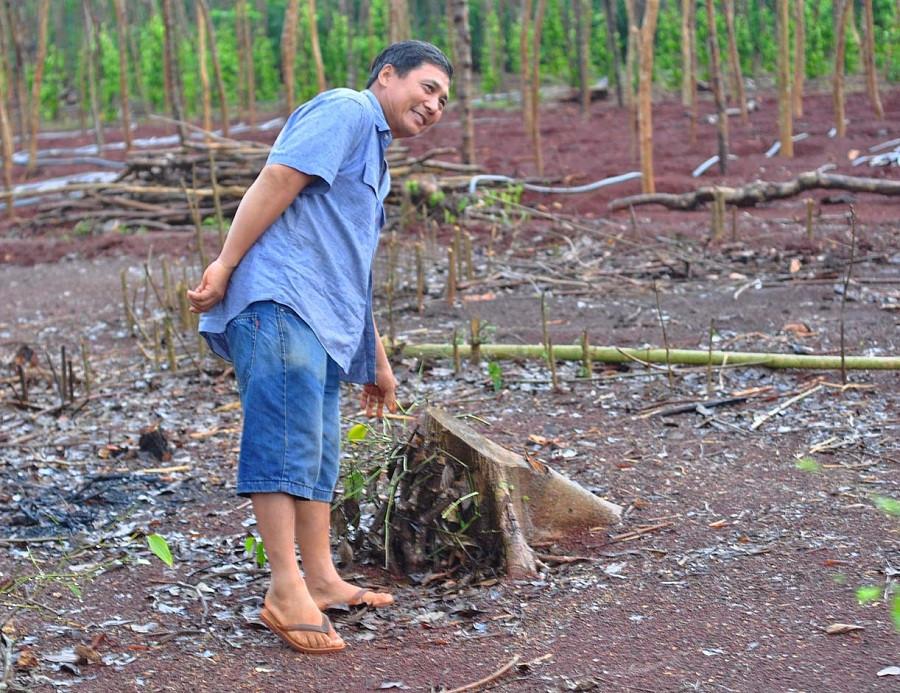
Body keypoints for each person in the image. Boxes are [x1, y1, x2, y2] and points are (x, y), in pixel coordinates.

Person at [187, 40, 453, 654]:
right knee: (283, 442)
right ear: (387, 76)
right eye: (428, 87)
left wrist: (376, 362)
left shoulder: (377, 160)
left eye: (444, 99)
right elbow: (278, 178)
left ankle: (323, 580)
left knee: (316, 452)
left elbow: (350, 269)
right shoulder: (347, 110)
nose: (435, 105)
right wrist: (225, 264)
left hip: (324, 321)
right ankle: (285, 590)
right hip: (282, 301)